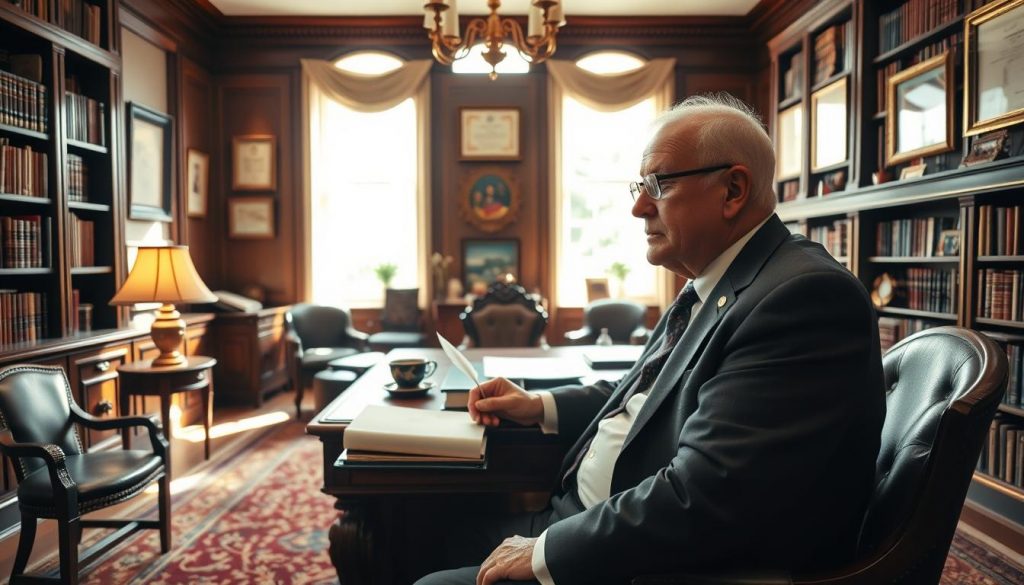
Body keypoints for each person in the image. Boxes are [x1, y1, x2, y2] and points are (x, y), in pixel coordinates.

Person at [414, 93, 885, 585]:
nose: (640, 207)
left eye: (658, 185)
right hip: (591, 522)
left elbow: (707, 496)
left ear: (733, 189)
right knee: (415, 533)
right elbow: (649, 396)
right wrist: (539, 405)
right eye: (640, 186)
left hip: (646, 562)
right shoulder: (716, 280)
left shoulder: (802, 298)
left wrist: (545, 551)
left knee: (423, 563)